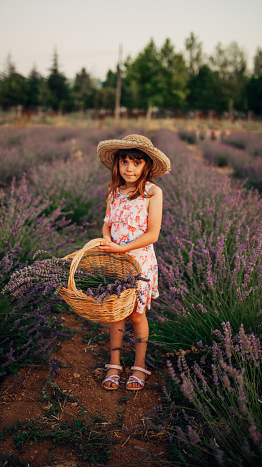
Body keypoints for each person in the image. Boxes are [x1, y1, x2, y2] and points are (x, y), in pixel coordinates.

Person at [96, 134, 171, 391]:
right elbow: (107, 223)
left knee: (137, 315)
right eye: (125, 161)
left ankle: (139, 365)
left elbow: (153, 234)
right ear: (117, 164)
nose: (129, 168)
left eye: (136, 162)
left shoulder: (152, 192)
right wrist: (107, 241)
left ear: (146, 165)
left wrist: (121, 247)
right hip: (116, 264)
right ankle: (114, 363)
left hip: (139, 264)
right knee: (117, 314)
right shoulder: (114, 192)